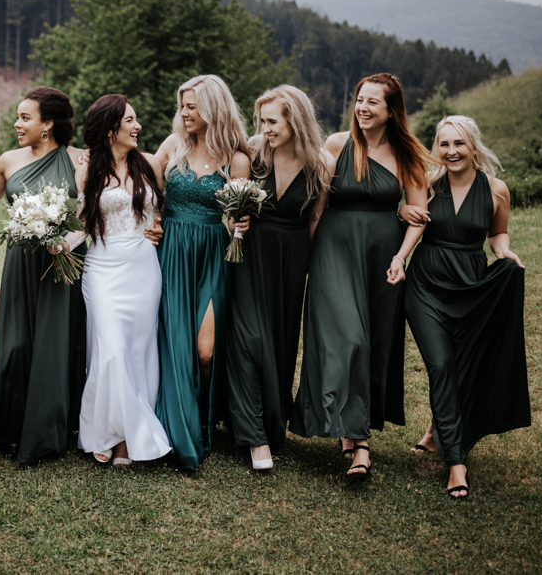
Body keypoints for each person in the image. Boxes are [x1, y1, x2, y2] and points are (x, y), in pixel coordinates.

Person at [289, 73, 432, 478]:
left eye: (372, 102)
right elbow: (316, 207)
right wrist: (308, 259)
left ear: (391, 110)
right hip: (334, 250)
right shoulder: (337, 145)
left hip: (381, 256)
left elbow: (419, 214)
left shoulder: (407, 156)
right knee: (347, 338)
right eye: (359, 100)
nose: (363, 108)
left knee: (370, 345)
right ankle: (361, 444)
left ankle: (349, 430)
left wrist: (401, 256)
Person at [402, 115, 529, 499]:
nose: (451, 151)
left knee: (462, 364)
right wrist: (402, 213)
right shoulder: (427, 183)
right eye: (444, 144)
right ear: (437, 148)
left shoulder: (496, 190)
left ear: (473, 145)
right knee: (441, 364)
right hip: (426, 287)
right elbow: (410, 218)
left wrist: (505, 254)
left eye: (459, 143)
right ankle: (456, 462)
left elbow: (498, 233)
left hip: (470, 286)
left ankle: (436, 431)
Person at [50, 94, 170, 466]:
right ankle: (107, 430)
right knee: (111, 350)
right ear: (109, 128)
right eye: (130, 121)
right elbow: (84, 221)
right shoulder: (88, 169)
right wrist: (58, 243)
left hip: (144, 269)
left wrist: (159, 228)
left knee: (138, 351)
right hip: (102, 269)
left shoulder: (149, 164)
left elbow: (161, 213)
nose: (138, 127)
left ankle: (125, 440)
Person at [225, 85, 333, 470]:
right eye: (262, 121)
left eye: (272, 121)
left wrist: (308, 267)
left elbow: (315, 218)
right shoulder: (252, 153)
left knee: (281, 342)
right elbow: (229, 206)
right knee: (248, 339)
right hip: (251, 255)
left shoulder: (321, 163)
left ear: (295, 120)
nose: (265, 128)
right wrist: (233, 223)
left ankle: (272, 426)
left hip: (292, 259)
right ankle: (254, 436)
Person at [0, 86, 87, 464]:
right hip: (21, 264)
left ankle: (52, 426)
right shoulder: (7, 161)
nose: (17, 124)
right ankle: (11, 426)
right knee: (15, 345)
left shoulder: (80, 159)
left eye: (25, 117)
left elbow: (91, 211)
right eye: (18, 116)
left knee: (56, 344)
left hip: (63, 262)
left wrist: (64, 241)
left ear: (48, 124)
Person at [152, 74, 252, 469]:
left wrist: (242, 223)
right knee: (174, 340)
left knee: (206, 350)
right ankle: (180, 424)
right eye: (182, 106)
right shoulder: (173, 146)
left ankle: (202, 416)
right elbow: (145, 188)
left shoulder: (236, 160)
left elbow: (238, 214)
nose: (184, 113)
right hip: (171, 249)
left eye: (192, 106)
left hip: (212, 253)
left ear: (213, 108)